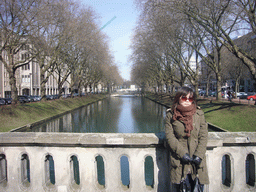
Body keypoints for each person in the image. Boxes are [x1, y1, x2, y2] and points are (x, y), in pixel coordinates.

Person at [165, 87, 209, 191]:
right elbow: (169, 136)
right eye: (184, 98)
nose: (188, 101)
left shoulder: (199, 114)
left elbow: (203, 136)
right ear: (178, 98)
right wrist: (182, 153)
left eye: (190, 98)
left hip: (197, 163)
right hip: (179, 162)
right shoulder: (170, 115)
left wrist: (199, 155)